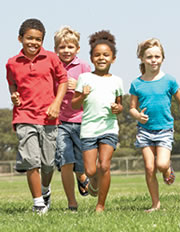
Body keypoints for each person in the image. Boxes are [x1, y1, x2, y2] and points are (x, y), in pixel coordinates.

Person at [5, 18, 68, 214]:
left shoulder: (51, 58)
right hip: (24, 117)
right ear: (20, 38)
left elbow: (63, 80)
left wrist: (56, 104)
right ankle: (38, 203)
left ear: (43, 41)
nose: (33, 42)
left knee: (48, 163)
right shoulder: (12, 63)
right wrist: (14, 95)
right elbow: (12, 84)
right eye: (29, 38)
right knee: (31, 161)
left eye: (38, 39)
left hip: (48, 117)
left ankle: (45, 190)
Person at [129, 38, 180, 212]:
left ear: (163, 58)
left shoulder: (169, 81)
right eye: (149, 57)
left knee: (161, 165)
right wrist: (137, 115)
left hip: (164, 129)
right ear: (142, 58)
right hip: (145, 131)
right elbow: (132, 108)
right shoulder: (137, 83)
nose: (153, 60)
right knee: (149, 168)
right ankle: (155, 204)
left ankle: (167, 170)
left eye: (157, 56)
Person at [72, 30, 124, 212]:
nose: (101, 58)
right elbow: (73, 104)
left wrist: (118, 109)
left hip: (109, 128)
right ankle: (93, 184)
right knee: (91, 171)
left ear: (113, 58)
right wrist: (82, 95)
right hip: (88, 129)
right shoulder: (84, 78)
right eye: (97, 55)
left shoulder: (117, 81)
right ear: (92, 58)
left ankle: (100, 205)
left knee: (104, 165)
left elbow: (120, 105)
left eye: (106, 55)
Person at [54, 26, 92, 211]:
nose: (66, 51)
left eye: (70, 47)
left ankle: (82, 177)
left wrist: (79, 85)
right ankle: (72, 202)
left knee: (82, 163)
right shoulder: (53, 65)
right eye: (62, 47)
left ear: (77, 49)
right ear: (56, 49)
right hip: (60, 122)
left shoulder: (84, 67)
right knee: (65, 161)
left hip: (81, 120)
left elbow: (93, 92)